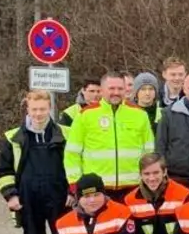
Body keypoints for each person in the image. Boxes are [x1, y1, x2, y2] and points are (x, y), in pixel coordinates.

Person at [0, 90, 70, 234]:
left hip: (60, 197)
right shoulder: (13, 137)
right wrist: (11, 195)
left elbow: (75, 166)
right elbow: (3, 171)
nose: (38, 114)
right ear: (27, 109)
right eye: (34, 109)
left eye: (43, 109)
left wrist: (73, 192)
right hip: (28, 199)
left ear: (50, 109)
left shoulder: (65, 134)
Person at [65, 72, 157, 201]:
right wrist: (75, 184)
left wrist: (149, 180)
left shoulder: (139, 114)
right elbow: (72, 153)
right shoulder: (85, 115)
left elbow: (149, 152)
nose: (116, 92)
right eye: (111, 88)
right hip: (98, 189)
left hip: (134, 187)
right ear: (102, 90)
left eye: (120, 88)